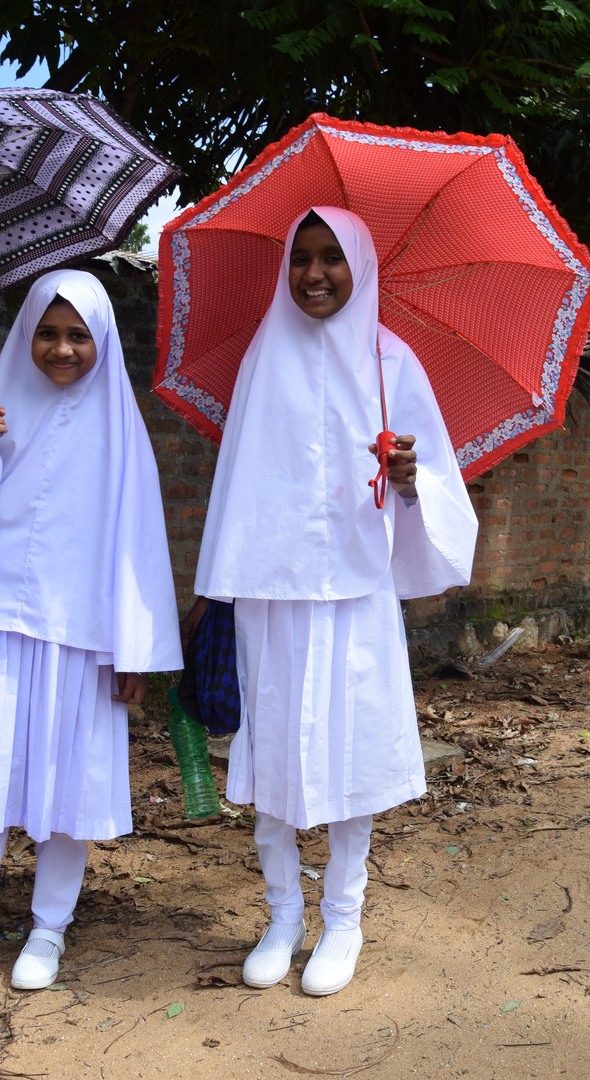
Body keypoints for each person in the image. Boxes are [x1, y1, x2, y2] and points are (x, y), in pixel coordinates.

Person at [186, 207, 478, 997]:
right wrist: (223, 584)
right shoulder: (262, 356)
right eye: (300, 259)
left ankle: (342, 918)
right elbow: (240, 482)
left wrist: (414, 482)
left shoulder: (393, 365)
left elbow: (441, 487)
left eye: (330, 259)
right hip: (272, 596)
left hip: (355, 597)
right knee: (274, 754)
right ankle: (282, 914)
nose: (313, 274)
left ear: (360, 266)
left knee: (352, 754)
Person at [0, 271, 183, 1021]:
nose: (63, 349)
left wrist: (133, 648)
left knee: (68, 791)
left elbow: (138, 544)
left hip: (82, 637)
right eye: (48, 332)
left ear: (101, 339)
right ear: (26, 335)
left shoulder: (119, 430)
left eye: (78, 334)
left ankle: (48, 930)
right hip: (1, 626)